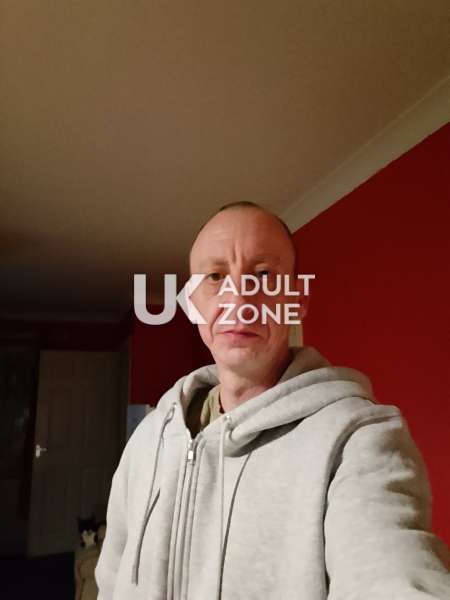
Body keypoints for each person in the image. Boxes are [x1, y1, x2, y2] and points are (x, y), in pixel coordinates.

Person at [95, 202, 449, 599]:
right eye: (215, 277)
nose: (238, 299)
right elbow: (111, 579)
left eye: (263, 276)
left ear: (297, 300)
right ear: (193, 304)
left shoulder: (358, 440)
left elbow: (392, 573)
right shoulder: (148, 438)